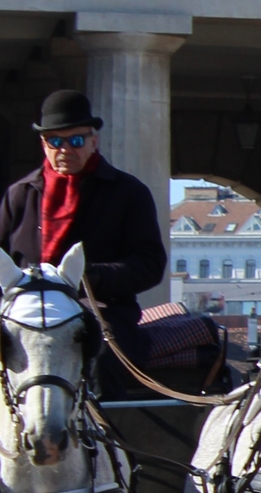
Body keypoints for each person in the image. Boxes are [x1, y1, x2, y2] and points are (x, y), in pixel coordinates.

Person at [0, 90, 168, 373]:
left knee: (98, 356)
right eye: (55, 141)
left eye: (76, 140)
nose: (65, 149)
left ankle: (107, 418)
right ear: (44, 144)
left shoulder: (128, 192)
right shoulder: (19, 195)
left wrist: (93, 277)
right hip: (24, 310)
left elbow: (150, 265)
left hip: (99, 310)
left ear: (94, 140)